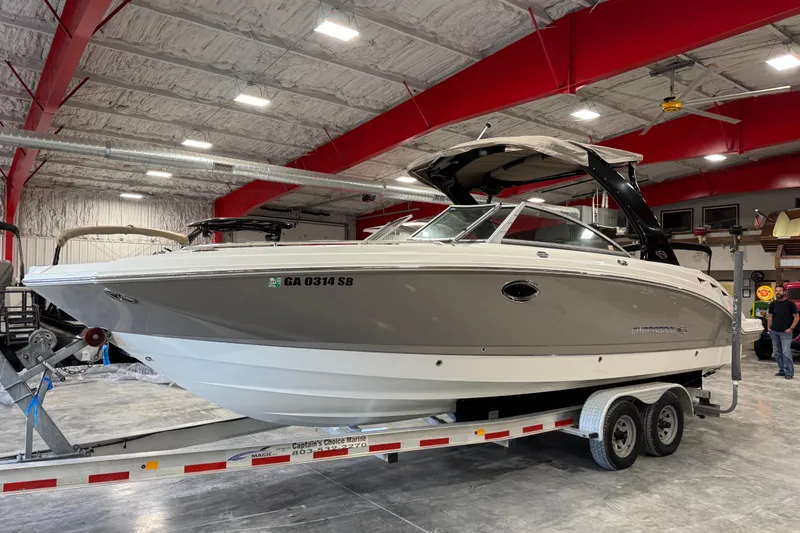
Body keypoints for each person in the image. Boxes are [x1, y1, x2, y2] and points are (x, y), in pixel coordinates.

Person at [768, 285, 799, 379]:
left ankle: (789, 372)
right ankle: (782, 370)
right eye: (776, 291)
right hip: (774, 331)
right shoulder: (773, 304)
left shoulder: (790, 304)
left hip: (785, 332)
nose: (778, 292)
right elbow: (770, 316)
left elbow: (797, 317)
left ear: (784, 292)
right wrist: (769, 328)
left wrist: (791, 328)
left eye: (780, 291)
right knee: (777, 352)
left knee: (786, 352)